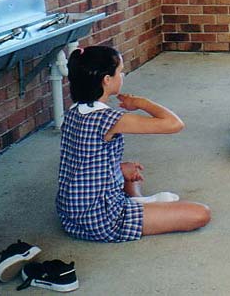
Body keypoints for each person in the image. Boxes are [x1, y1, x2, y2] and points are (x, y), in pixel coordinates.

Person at [56, 46, 211, 242]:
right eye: (120, 72)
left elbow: (83, 157)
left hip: (71, 215)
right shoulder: (108, 119)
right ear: (107, 80)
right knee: (200, 213)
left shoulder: (74, 111)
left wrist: (119, 167)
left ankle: (138, 200)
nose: (122, 76)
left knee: (130, 175)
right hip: (103, 219)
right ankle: (142, 205)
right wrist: (141, 103)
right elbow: (174, 124)